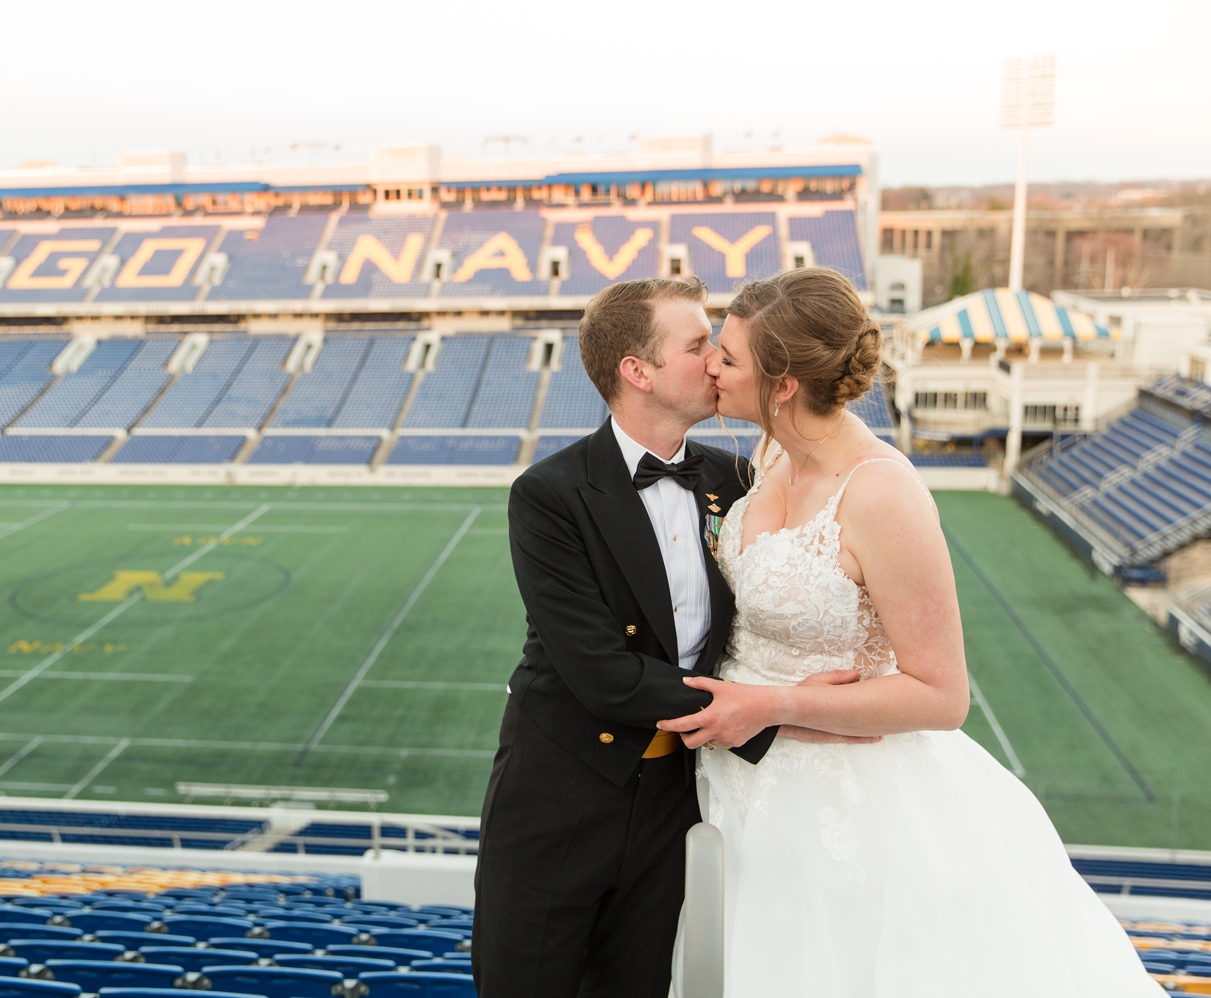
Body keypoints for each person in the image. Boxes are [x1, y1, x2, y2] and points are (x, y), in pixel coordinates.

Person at [659, 267, 1160, 996]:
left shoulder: (883, 494)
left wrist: (772, 706)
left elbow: (941, 693)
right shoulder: (771, 452)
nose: (710, 365)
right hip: (734, 782)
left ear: (785, 383)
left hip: (844, 797)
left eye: (729, 358)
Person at [472, 277, 843, 997]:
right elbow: (603, 675)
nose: (714, 361)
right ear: (637, 372)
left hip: (679, 801)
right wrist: (773, 708)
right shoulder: (549, 496)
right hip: (558, 799)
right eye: (697, 344)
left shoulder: (738, 479)